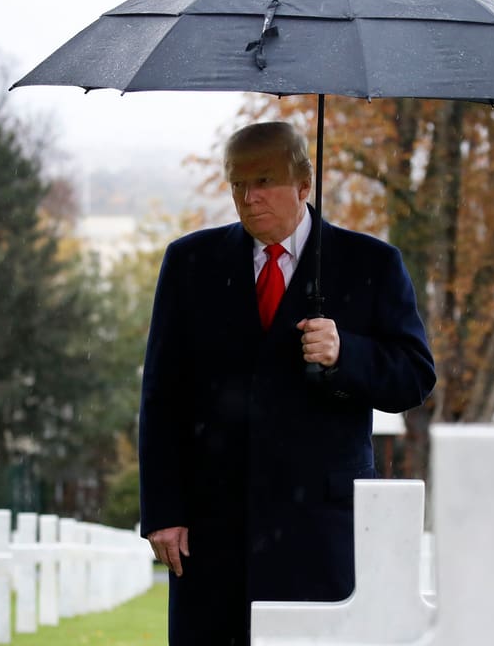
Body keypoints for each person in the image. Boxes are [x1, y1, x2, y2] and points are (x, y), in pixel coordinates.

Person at [139, 121, 436, 646]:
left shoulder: (371, 264)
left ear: (304, 183)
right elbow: (162, 399)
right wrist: (164, 512)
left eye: (264, 181)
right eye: (237, 184)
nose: (249, 198)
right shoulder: (189, 263)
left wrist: (348, 353)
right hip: (212, 530)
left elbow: (414, 377)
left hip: (319, 529)